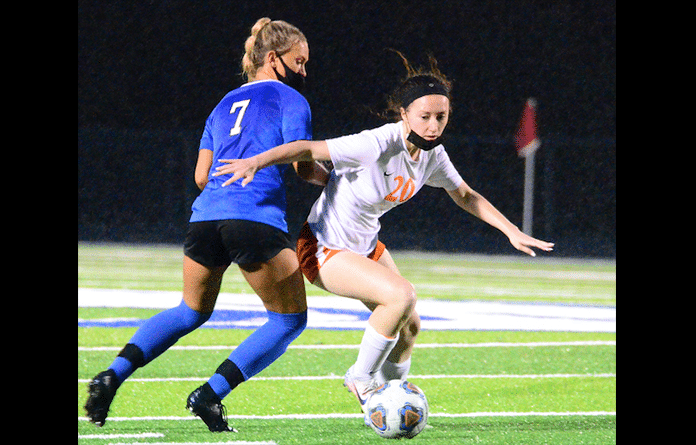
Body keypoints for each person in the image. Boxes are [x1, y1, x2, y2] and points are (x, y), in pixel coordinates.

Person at [213, 52, 555, 413]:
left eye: (441, 116)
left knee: (409, 328)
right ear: (404, 114)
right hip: (323, 248)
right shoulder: (376, 144)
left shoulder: (433, 155)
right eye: (424, 117)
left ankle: (392, 402)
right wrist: (255, 160)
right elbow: (307, 149)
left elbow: (466, 195)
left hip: (365, 246)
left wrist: (510, 230)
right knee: (401, 296)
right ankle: (360, 378)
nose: (434, 125)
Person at [84, 18, 329, 432]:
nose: (304, 71)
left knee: (189, 311)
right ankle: (210, 394)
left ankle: (112, 374)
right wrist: (343, 180)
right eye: (299, 61)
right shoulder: (290, 99)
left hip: (205, 218)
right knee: (289, 320)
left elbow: (202, 175)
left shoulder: (223, 104)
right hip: (254, 217)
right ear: (273, 58)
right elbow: (303, 164)